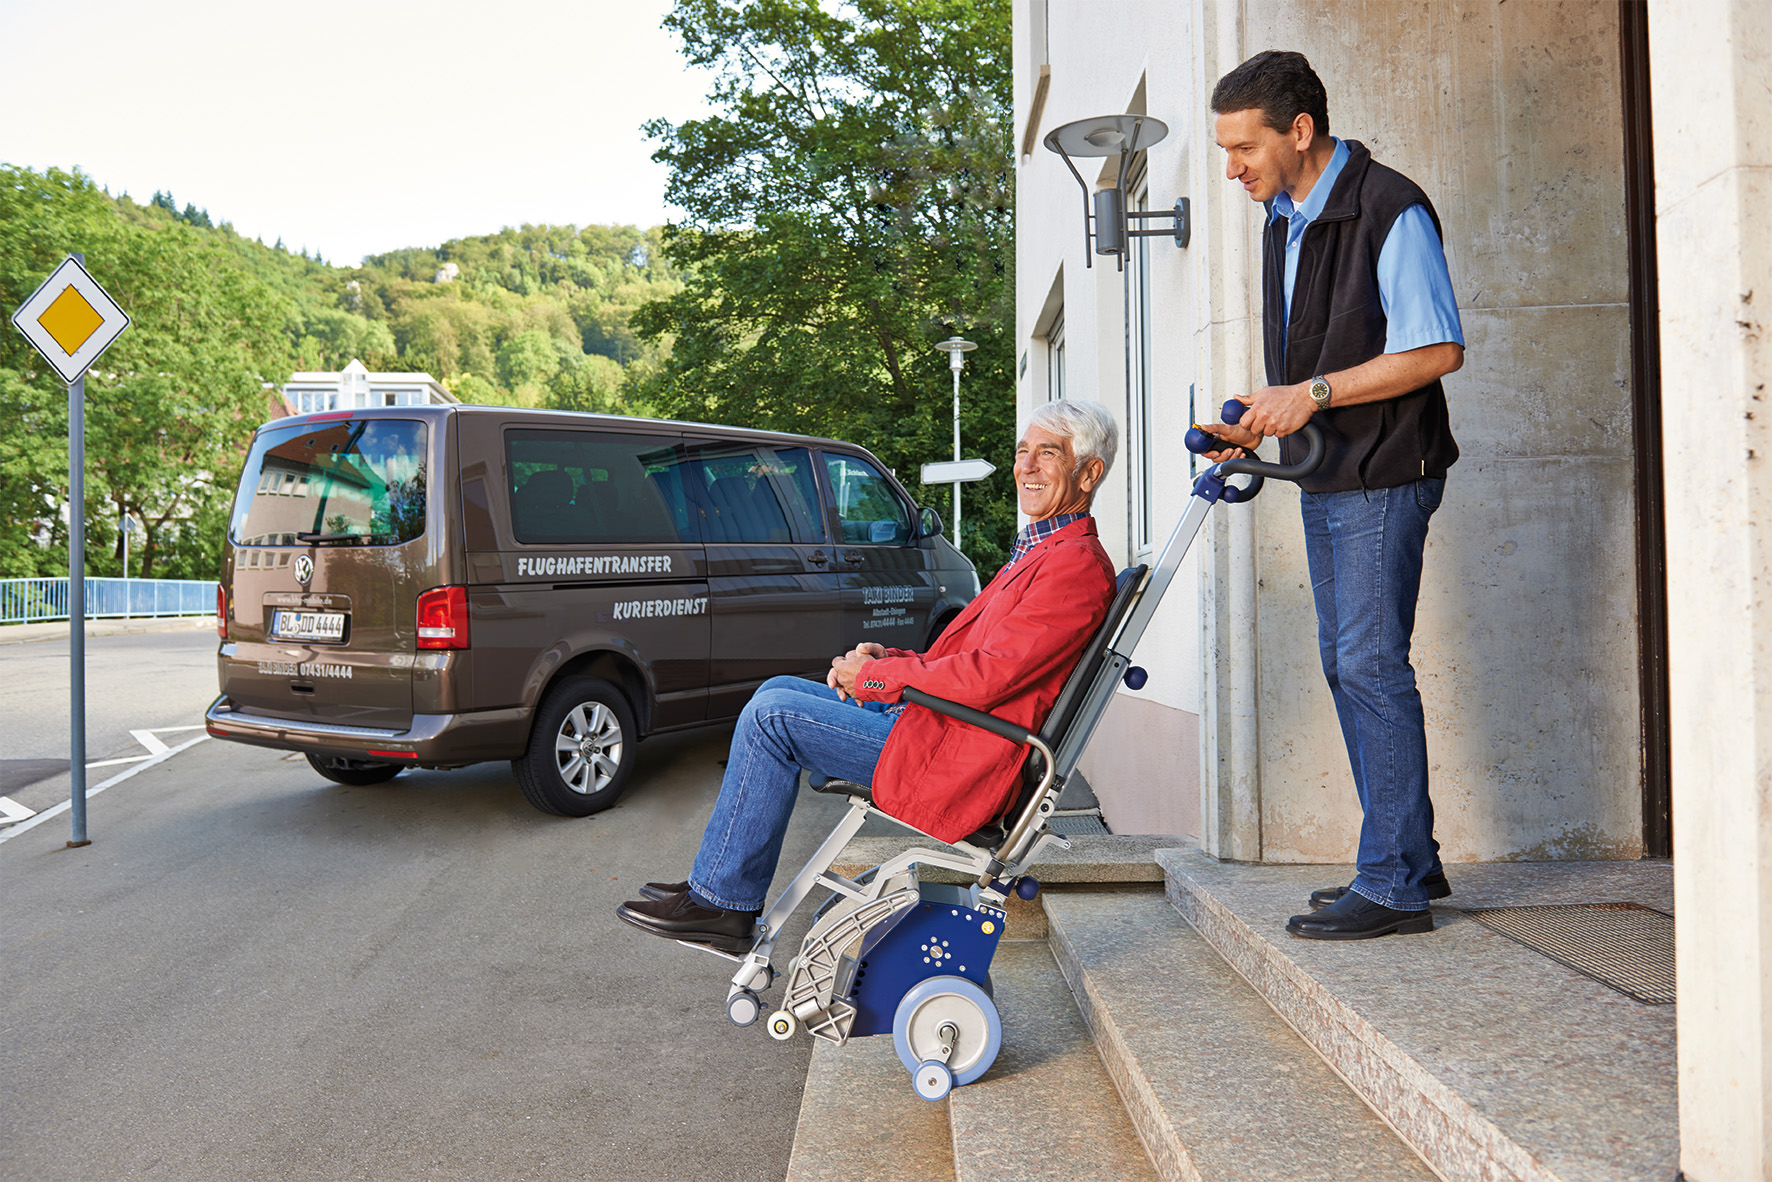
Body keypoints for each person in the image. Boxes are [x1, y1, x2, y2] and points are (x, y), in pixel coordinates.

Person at [616, 400, 1120, 952]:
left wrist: (878, 677)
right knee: (774, 690)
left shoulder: (1072, 564)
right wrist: (888, 657)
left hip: (959, 756)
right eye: (1023, 452)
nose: (1026, 466)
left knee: (771, 716)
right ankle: (715, 888)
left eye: (1048, 454)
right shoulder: (1045, 551)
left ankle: (721, 904)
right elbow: (974, 658)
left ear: (1088, 472)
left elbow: (988, 677)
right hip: (945, 730)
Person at [1203, 51, 1465, 941]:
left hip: (1386, 473)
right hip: (1328, 472)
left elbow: (1436, 350)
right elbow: (1316, 363)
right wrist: (1260, 419)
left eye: (1244, 148)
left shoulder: (1389, 207)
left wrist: (1309, 396)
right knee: (1347, 664)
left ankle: (1391, 885)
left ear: (1300, 130)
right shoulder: (1282, 218)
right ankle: (1409, 859)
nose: (1232, 168)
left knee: (1369, 666)